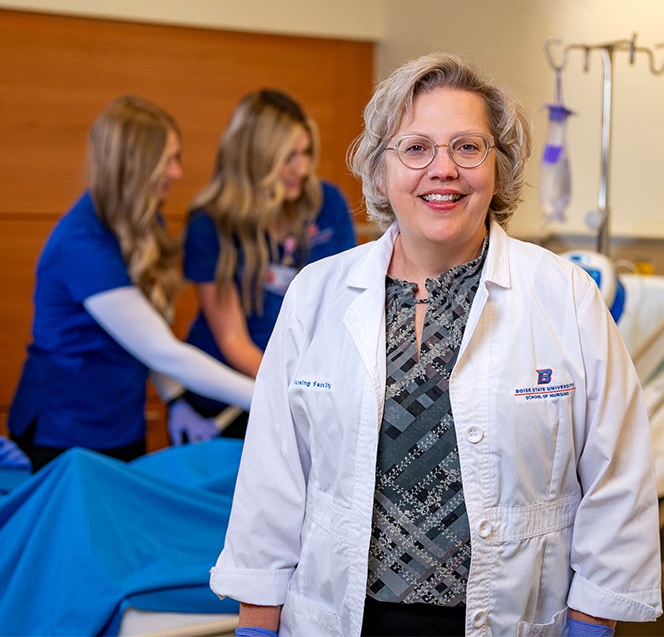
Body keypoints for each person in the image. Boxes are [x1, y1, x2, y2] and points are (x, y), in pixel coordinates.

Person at [208, 53, 662, 636]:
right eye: (416, 148)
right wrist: (255, 621)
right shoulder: (316, 294)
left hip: (508, 615)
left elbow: (618, 473)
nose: (442, 169)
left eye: (467, 147)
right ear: (379, 171)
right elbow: (272, 474)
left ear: (498, 167)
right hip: (344, 615)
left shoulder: (565, 295)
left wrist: (593, 623)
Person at [8, 95, 253, 472]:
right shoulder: (83, 244)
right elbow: (162, 350)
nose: (177, 172)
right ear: (134, 165)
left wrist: (174, 400)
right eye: (167, 159)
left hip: (120, 423)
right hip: (65, 434)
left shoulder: (141, 222)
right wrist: (267, 395)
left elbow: (145, 333)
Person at [175, 89, 356, 438]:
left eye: (305, 153)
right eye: (288, 156)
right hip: (229, 399)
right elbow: (232, 340)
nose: (302, 169)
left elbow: (343, 303)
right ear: (255, 158)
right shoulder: (211, 223)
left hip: (304, 388)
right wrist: (298, 387)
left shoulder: (326, 203)